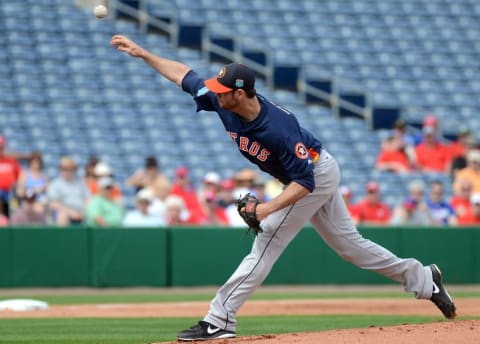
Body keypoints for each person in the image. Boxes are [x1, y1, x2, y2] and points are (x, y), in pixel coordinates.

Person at [111, 35, 457, 340]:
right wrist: (143, 53)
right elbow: (183, 76)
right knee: (352, 247)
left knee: (268, 239)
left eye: (223, 91)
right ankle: (424, 278)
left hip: (313, 175)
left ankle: (219, 319)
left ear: (242, 93)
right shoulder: (223, 100)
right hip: (308, 174)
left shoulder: (278, 128)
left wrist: (264, 209)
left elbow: (305, 182)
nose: (215, 94)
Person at [47, 156, 89, 225]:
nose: (67, 171)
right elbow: (53, 203)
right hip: (65, 213)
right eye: (64, 168)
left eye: (69, 168)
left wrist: (84, 212)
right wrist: (70, 212)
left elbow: (87, 200)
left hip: (81, 214)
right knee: (62, 215)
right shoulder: (55, 184)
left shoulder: (80, 183)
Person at [0, 135, 22, 218]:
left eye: (2, 147)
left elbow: (21, 175)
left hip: (10, 192)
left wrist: (20, 186)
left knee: (15, 200)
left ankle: (14, 220)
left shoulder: (11, 161)